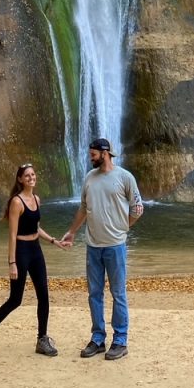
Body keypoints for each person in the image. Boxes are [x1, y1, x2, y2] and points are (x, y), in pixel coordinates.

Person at [61, 137, 144, 361]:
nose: (90, 158)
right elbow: (83, 208)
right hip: (93, 245)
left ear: (105, 153)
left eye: (93, 154)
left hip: (115, 245)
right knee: (94, 294)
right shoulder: (89, 178)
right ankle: (98, 339)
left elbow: (137, 208)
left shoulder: (124, 177)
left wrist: (122, 227)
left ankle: (120, 340)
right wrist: (72, 232)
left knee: (118, 293)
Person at [0, 163, 65, 359]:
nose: (31, 178)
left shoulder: (36, 199)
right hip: (22, 252)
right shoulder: (16, 202)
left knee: (44, 295)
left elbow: (36, 227)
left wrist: (53, 240)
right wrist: (12, 263)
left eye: (33, 174)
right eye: (27, 176)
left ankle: (42, 339)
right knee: (15, 299)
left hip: (36, 250)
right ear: (20, 179)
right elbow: (12, 233)